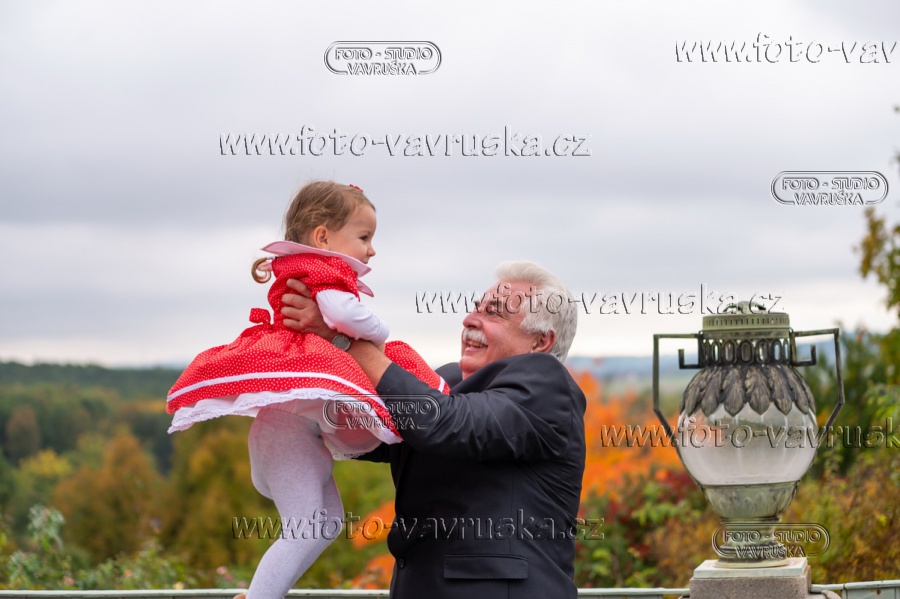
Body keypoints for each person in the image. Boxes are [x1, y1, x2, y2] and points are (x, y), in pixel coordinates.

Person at [165, 181, 445, 599]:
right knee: (305, 528)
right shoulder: (326, 280)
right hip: (286, 436)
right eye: (364, 237)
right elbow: (347, 316)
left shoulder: (306, 273)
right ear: (323, 237)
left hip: (291, 436)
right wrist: (380, 331)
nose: (371, 251)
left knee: (326, 524)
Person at [281, 261, 586, 599]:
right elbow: (378, 433)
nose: (469, 320)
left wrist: (348, 342)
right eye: (476, 308)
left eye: (495, 313)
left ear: (541, 342)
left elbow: (445, 424)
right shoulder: (449, 381)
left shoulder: (547, 384)